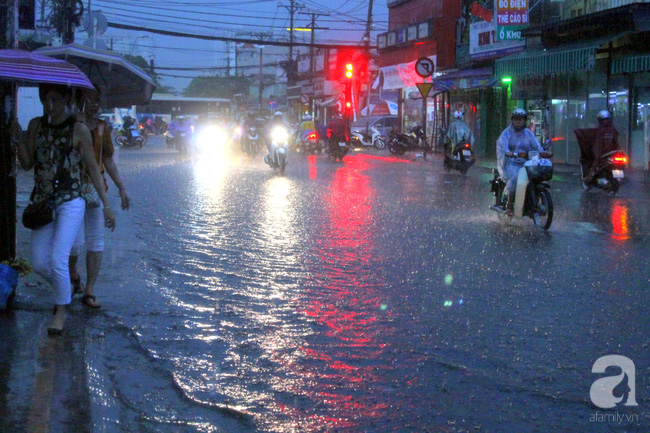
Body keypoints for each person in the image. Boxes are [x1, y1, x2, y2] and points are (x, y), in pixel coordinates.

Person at [14, 84, 115, 335]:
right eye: (46, 100)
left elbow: (92, 169)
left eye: (56, 100)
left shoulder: (78, 129)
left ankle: (60, 311)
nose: (50, 105)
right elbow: (27, 164)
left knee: (59, 258)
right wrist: (16, 137)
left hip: (71, 200)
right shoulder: (36, 126)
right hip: (42, 201)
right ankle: (66, 290)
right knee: (39, 262)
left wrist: (107, 205)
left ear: (67, 100)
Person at [68, 90, 131, 309]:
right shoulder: (69, 124)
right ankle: (74, 275)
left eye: (97, 100)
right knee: (73, 244)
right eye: (89, 99)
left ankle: (89, 290)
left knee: (95, 240)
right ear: (79, 101)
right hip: (71, 190)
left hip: (96, 190)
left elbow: (108, 161)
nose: (94, 104)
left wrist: (122, 188)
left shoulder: (103, 127)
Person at [496, 108, 543, 214]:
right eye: (516, 119)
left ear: (524, 120)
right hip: (510, 162)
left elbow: (536, 145)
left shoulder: (528, 134)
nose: (518, 121)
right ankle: (508, 202)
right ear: (512, 120)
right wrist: (508, 152)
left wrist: (543, 152)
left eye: (520, 119)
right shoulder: (506, 133)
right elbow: (502, 145)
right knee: (516, 176)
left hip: (526, 162)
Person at [584, 110, 619, 182]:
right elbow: (616, 140)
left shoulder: (600, 130)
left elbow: (598, 143)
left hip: (603, 152)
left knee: (595, 161)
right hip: (613, 151)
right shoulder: (613, 129)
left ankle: (590, 176)